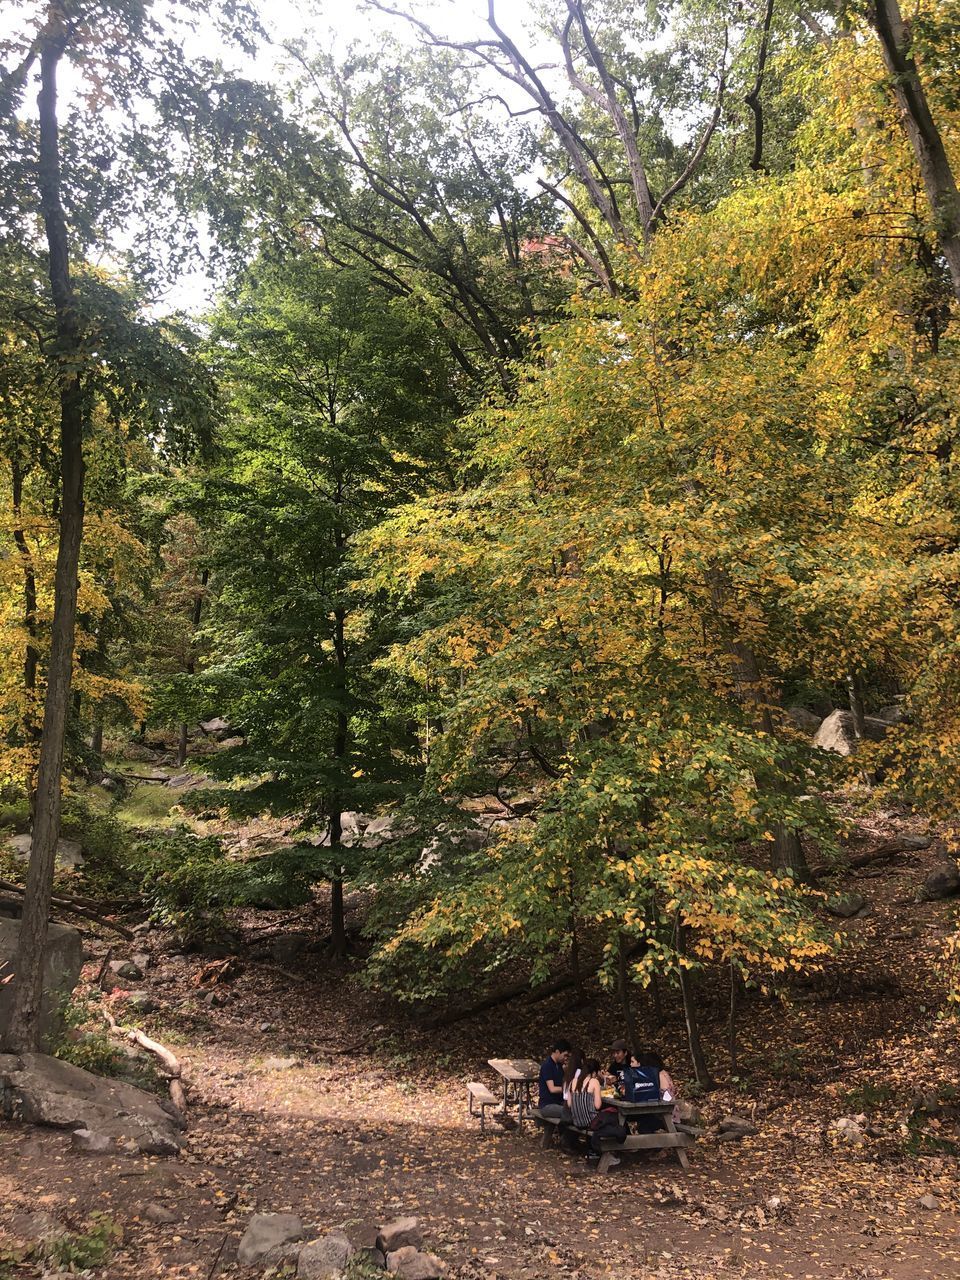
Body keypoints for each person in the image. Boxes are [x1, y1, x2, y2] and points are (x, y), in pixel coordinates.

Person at [570, 1057, 627, 1165]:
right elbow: (597, 1105)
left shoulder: (574, 1081)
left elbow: (569, 1104)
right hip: (589, 1122)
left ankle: (595, 1151)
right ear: (594, 1072)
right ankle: (612, 1151)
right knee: (613, 1116)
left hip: (576, 1121)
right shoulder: (594, 1081)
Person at [537, 1039, 571, 1119]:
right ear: (557, 1052)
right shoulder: (548, 1066)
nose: (566, 1058)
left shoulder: (559, 1065)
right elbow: (552, 1089)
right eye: (565, 1055)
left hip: (559, 1102)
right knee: (569, 1112)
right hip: (547, 1105)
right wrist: (567, 1089)